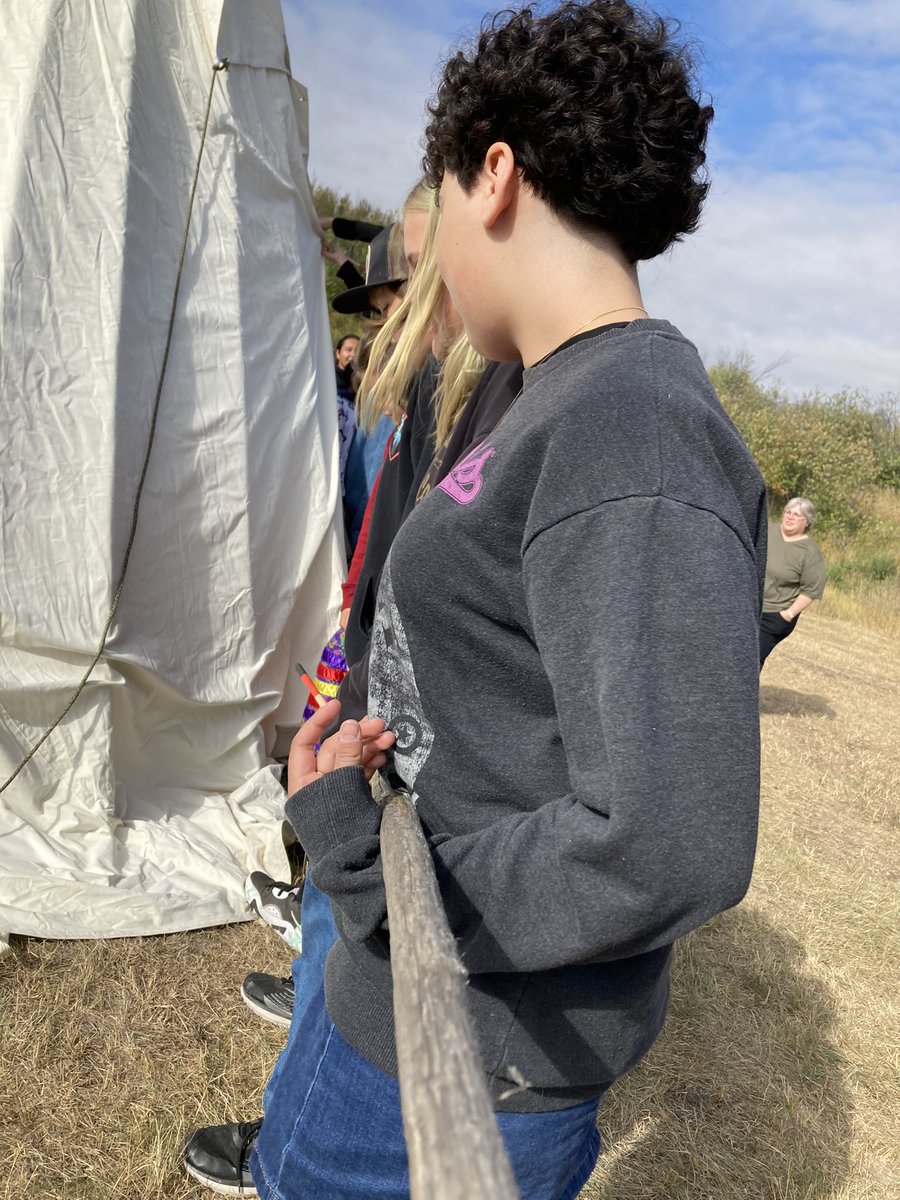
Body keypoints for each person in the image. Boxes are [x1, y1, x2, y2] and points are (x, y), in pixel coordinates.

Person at [184, 3, 766, 1196]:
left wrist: (362, 861)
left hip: (462, 1061)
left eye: (436, 201)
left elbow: (672, 839)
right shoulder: (557, 400)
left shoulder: (632, 432)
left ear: (492, 175)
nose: (433, 243)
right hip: (398, 1010)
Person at [759, 496, 826, 668]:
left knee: (750, 660)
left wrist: (787, 615)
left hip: (773, 615)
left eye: (797, 515)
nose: (790, 517)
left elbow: (811, 590)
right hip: (749, 606)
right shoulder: (767, 532)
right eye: (788, 512)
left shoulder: (809, 552)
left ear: (807, 522)